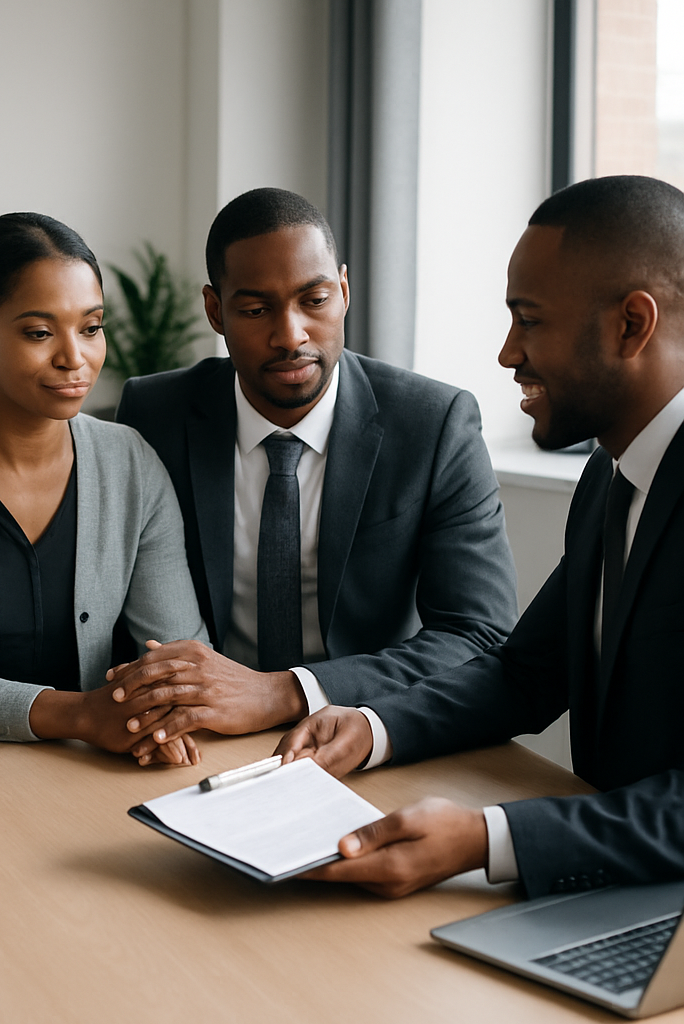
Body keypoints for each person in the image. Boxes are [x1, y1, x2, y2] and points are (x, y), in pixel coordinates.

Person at [274, 174, 684, 900]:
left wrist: (487, 839)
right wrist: (373, 727)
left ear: (632, 324)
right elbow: (527, 673)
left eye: (529, 320)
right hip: (619, 894)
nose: (507, 353)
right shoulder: (612, 476)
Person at [112, 187, 518, 763]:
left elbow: (478, 635)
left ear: (344, 292)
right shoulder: (156, 414)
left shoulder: (433, 425)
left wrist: (281, 692)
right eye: (255, 310)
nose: (291, 335)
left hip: (357, 734)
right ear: (215, 310)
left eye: (315, 300)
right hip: (195, 741)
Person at [0, 213, 207, 766]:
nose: (75, 357)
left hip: (88, 774)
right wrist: (83, 715)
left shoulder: (131, 464)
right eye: (40, 332)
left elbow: (179, 655)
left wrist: (158, 711)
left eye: (91, 327)